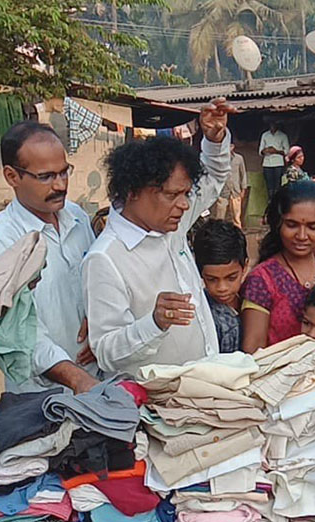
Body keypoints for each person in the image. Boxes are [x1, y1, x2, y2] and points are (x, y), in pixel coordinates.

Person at [82, 98, 235, 376]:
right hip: (156, 406)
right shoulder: (105, 259)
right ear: (132, 192)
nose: (185, 205)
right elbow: (106, 351)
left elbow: (213, 176)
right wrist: (153, 324)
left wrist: (214, 138)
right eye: (171, 195)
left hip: (203, 381)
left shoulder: (171, 226)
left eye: (186, 194)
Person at [0, 121, 99, 394]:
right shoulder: (1, 240)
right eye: (45, 177)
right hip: (42, 392)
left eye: (64, 172)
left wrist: (99, 320)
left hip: (94, 374)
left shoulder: (77, 217)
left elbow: (95, 281)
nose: (60, 185)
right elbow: (19, 330)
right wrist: (74, 377)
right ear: (12, 177)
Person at [240, 181, 315, 352]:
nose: (302, 236)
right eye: (292, 225)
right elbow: (253, 350)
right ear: (278, 225)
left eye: (313, 227)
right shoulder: (262, 279)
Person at [192, 218, 248, 353]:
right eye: (212, 279)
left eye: (231, 278)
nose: (222, 288)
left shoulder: (253, 295)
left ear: (245, 266)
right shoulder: (205, 315)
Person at [211, 143, 248, 228]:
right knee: (220, 217)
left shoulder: (239, 158)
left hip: (235, 191)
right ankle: (218, 235)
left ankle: (238, 235)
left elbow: (243, 174)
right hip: (223, 191)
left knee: (236, 218)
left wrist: (243, 189)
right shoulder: (220, 159)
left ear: (232, 147)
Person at [259, 122, 290, 197]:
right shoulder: (265, 135)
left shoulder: (282, 136)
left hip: (278, 163)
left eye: (274, 124)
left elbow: (287, 151)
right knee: (269, 187)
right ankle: (270, 202)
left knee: (277, 186)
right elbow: (260, 151)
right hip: (267, 164)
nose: (272, 126)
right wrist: (266, 150)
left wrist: (276, 151)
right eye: (271, 124)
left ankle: (277, 203)